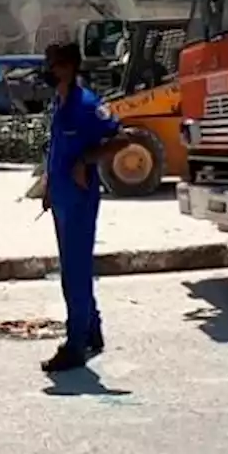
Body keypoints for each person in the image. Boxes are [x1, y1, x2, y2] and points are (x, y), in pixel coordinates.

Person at [39, 41, 134, 374]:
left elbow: (122, 138)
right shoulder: (60, 102)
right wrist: (48, 186)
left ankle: (76, 345)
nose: (47, 70)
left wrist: (86, 160)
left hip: (79, 200)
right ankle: (92, 331)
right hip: (62, 198)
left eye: (52, 64)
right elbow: (57, 149)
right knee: (73, 268)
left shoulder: (87, 104)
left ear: (67, 67)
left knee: (75, 274)